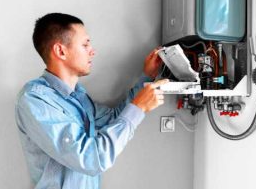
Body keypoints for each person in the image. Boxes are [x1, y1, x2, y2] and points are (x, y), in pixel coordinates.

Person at [15, 13, 168, 189]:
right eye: (85, 44)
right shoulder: (35, 100)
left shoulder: (78, 96)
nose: (92, 51)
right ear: (60, 51)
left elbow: (114, 119)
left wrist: (146, 77)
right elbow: (91, 159)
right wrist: (137, 107)